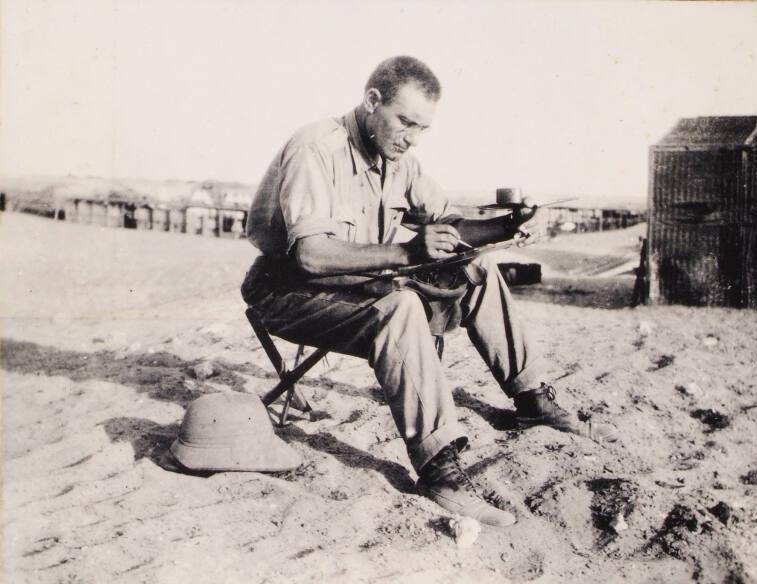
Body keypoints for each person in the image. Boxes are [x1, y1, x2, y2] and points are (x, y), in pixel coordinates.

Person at [242, 56, 611, 527]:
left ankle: (531, 400)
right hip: (287, 292)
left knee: (477, 267)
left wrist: (508, 226)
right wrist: (407, 251)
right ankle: (439, 469)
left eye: (422, 128)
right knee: (399, 307)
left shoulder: (399, 161)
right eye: (405, 121)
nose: (412, 137)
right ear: (372, 101)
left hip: (360, 286)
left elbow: (451, 226)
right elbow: (311, 256)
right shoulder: (317, 148)